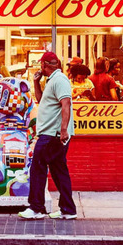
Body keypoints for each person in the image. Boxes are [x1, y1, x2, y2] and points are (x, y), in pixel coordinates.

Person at [19, 51, 77, 220]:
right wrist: (36, 82)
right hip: (53, 133)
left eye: (41, 66)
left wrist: (64, 130)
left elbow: (66, 104)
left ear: (44, 65)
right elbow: (41, 99)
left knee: (37, 167)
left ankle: (36, 208)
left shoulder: (60, 80)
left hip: (53, 134)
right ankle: (68, 209)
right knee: (59, 170)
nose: (40, 68)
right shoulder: (52, 80)